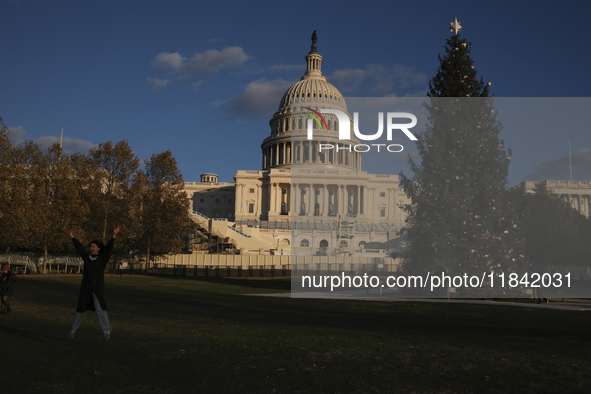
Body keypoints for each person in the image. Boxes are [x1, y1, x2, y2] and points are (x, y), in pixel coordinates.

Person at [67, 225, 120, 340]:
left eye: (94, 246)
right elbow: (79, 248)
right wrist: (72, 237)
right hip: (86, 287)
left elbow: (109, 248)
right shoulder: (87, 258)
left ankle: (107, 329)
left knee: (99, 307)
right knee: (81, 307)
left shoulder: (102, 258)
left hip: (97, 288)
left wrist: (114, 235)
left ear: (99, 248)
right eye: (91, 247)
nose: (92, 248)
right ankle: (73, 329)